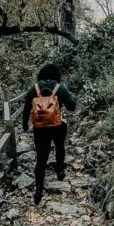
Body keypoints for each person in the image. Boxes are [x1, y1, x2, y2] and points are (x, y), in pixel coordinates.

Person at [22, 64, 76, 205]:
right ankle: (60, 171)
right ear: (56, 75)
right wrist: (66, 98)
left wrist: (25, 124)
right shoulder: (61, 88)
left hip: (39, 128)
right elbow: (72, 107)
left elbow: (27, 107)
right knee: (60, 146)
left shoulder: (35, 88)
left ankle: (38, 190)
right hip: (58, 125)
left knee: (41, 157)